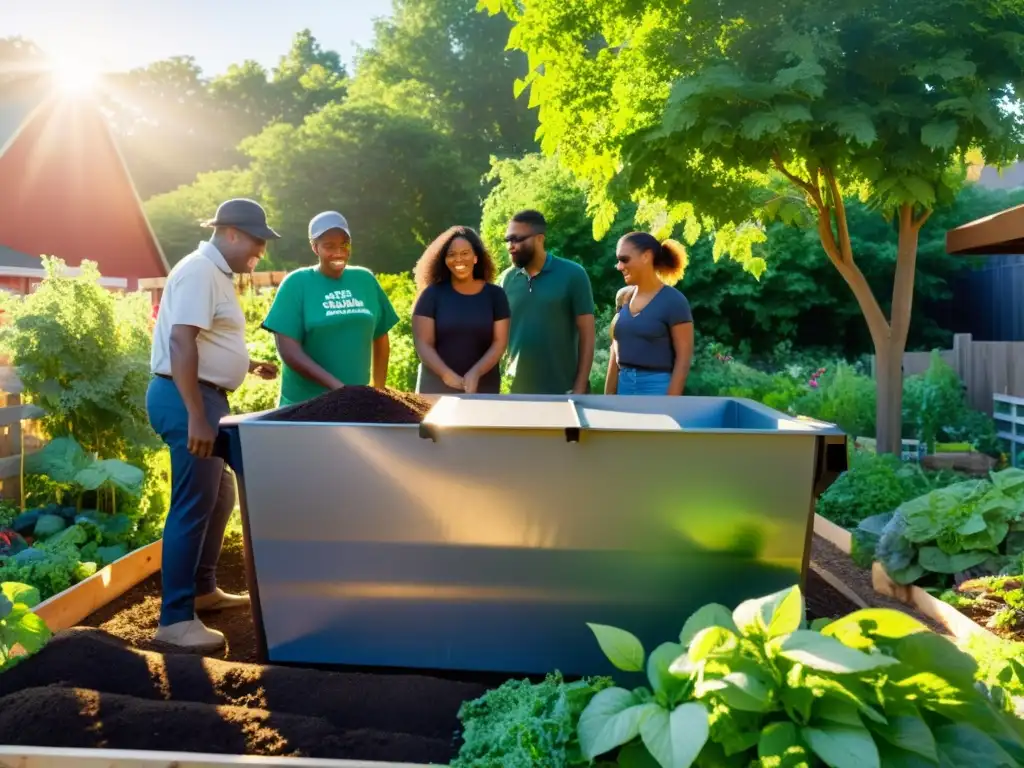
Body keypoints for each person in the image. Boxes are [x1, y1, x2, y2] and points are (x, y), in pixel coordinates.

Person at [147, 198, 280, 651]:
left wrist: (247, 361)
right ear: (231, 233)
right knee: (192, 502)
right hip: (187, 399)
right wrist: (197, 416)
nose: (258, 254)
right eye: (256, 244)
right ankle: (175, 620)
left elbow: (206, 338)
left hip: (202, 395)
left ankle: (202, 589)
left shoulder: (215, 272)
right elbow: (181, 342)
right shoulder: (201, 270)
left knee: (219, 492)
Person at [262, 211, 400, 406]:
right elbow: (289, 351)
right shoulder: (296, 283)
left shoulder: (365, 280)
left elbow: (380, 336)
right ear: (314, 247)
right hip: (305, 405)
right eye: (329, 246)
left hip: (355, 403)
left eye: (344, 244)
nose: (339, 252)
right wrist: (339, 388)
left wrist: (378, 390)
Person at [500, 210, 596, 394]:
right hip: (517, 390)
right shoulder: (505, 280)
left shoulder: (573, 274)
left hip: (565, 389)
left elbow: (587, 334)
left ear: (539, 239)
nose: (510, 246)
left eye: (517, 239)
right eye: (508, 240)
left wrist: (579, 386)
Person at [412, 226, 510, 394]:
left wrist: (475, 373)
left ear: (476, 258)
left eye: (465, 253)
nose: (458, 259)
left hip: (483, 388)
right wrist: (446, 375)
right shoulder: (431, 295)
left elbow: (499, 343)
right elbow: (423, 344)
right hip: (436, 389)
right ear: (444, 259)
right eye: (451, 254)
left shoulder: (496, 295)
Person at [605, 232, 694, 396]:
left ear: (646, 256)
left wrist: (670, 403)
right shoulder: (623, 297)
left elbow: (684, 359)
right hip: (623, 387)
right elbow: (615, 349)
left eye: (624, 259)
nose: (619, 266)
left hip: (657, 390)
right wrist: (608, 396)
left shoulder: (674, 301)